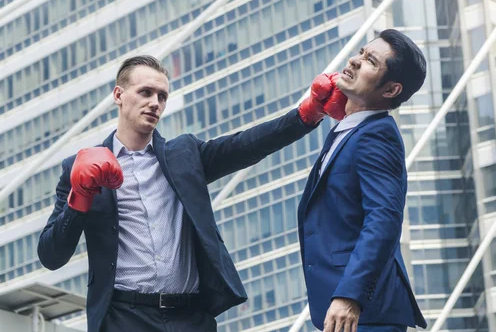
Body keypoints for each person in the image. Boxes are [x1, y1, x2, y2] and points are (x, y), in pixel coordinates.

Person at [37, 55, 345, 332]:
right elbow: (51, 255)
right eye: (145, 92)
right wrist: (79, 197)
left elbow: (246, 145)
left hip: (190, 317)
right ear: (119, 95)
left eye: (162, 96)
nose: (154, 102)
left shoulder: (183, 155)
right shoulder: (78, 166)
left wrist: (306, 115)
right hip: (124, 318)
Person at [297, 29, 429, 332]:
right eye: (361, 52)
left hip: (364, 314)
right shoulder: (348, 132)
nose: (355, 61)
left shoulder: (376, 135)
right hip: (344, 313)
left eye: (371, 61)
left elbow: (384, 219)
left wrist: (350, 296)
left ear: (391, 90)